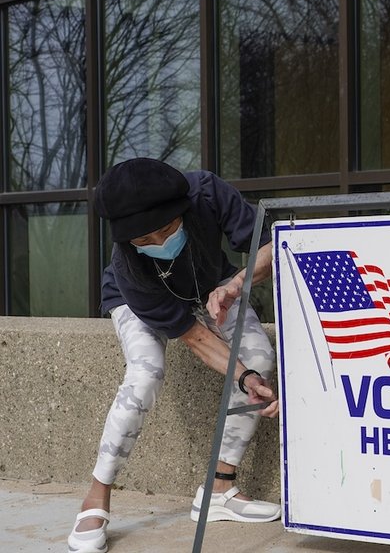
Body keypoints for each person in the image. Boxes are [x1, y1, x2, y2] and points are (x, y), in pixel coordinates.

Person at [67, 158, 281, 553]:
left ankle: (219, 489)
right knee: (146, 373)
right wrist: (242, 376)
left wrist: (235, 285)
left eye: (166, 230)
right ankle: (96, 494)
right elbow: (197, 339)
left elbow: (271, 248)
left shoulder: (206, 193)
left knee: (260, 356)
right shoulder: (128, 266)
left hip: (212, 280)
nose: (157, 242)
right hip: (136, 301)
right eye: (143, 239)